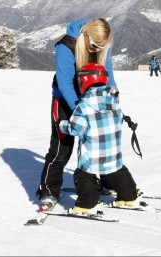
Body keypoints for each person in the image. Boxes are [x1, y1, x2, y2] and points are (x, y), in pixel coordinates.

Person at [36, 18, 117, 207]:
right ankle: (48, 189)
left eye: (102, 47)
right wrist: (80, 110)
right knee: (61, 147)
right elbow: (65, 83)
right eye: (95, 46)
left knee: (99, 142)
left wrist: (111, 96)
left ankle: (104, 181)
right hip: (65, 100)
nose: (98, 50)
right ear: (85, 37)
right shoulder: (66, 46)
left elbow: (108, 71)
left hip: (93, 98)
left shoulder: (101, 42)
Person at [58, 63, 139, 214]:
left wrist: (62, 125)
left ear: (84, 82)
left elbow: (76, 129)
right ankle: (128, 196)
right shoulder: (114, 102)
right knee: (117, 171)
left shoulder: (83, 107)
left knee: (84, 175)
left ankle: (86, 205)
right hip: (113, 152)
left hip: (92, 155)